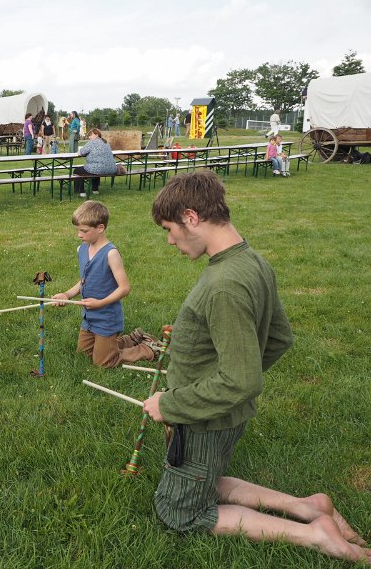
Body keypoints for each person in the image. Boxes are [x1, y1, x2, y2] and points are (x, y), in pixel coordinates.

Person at [144, 171, 370, 565]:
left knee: (179, 511)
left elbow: (240, 380)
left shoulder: (224, 284)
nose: (169, 239)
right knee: (204, 477)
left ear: (191, 217)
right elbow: (280, 338)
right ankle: (307, 506)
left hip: (205, 419)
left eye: (169, 229)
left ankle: (314, 534)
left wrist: (171, 405)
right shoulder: (253, 262)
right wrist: (232, 366)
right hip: (223, 414)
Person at [52, 201, 159, 367]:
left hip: (106, 318)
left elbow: (125, 288)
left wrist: (100, 303)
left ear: (100, 228)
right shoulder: (82, 250)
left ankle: (148, 348)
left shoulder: (111, 254)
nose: (79, 235)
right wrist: (67, 295)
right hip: (89, 317)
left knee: (103, 361)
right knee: (84, 353)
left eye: (84, 231)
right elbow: (84, 281)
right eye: (78, 230)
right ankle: (132, 338)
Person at [74, 128, 119, 197]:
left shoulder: (92, 142)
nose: (89, 137)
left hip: (100, 168)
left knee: (77, 170)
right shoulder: (106, 143)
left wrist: (80, 152)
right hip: (112, 169)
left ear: (96, 135)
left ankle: (81, 191)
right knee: (97, 168)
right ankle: (95, 190)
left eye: (90, 135)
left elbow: (81, 153)